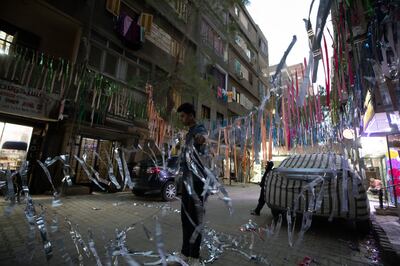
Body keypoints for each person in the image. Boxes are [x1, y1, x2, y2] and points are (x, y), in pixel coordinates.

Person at [177, 103, 208, 266]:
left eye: (182, 116)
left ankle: (194, 256)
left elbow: (203, 138)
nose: (181, 119)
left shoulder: (199, 129)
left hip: (197, 182)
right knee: (185, 218)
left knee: (195, 219)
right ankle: (184, 252)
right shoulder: (188, 133)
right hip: (186, 180)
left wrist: (200, 139)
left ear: (190, 115)